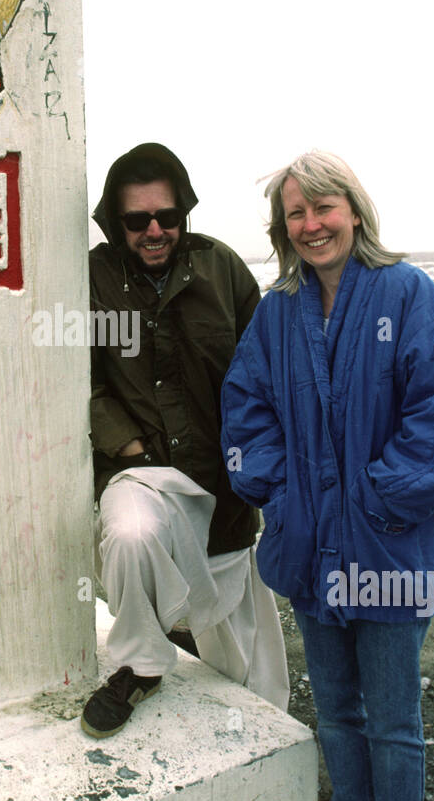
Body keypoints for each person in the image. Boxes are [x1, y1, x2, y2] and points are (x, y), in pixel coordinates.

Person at [220, 151, 434, 801]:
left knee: (392, 713)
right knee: (335, 706)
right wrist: (279, 489)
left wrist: (378, 495)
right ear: (282, 229)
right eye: (296, 214)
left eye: (324, 207)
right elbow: (247, 412)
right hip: (310, 547)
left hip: (389, 551)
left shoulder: (406, 295)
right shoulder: (277, 312)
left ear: (354, 209)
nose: (311, 225)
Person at [82, 142, 289, 739]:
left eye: (166, 217)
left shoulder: (221, 269)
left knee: (252, 671)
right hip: (141, 469)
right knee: (129, 534)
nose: (154, 230)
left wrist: (256, 463)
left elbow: (264, 372)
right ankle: (141, 664)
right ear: (114, 223)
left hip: (223, 475)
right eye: (137, 219)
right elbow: (76, 376)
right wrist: (123, 447)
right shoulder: (93, 278)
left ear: (183, 214)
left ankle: (266, 742)